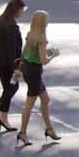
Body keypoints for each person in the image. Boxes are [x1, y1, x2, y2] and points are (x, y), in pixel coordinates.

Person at [17, 10, 61, 146]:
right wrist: (53, 55)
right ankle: (23, 133)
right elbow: (43, 61)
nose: (48, 22)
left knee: (46, 99)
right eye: (47, 20)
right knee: (29, 105)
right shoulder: (42, 38)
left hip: (28, 70)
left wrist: (18, 71)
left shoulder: (30, 35)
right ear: (43, 22)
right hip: (35, 73)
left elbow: (26, 54)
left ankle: (49, 129)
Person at [0, 0, 26, 133]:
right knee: (12, 87)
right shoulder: (11, 26)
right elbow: (11, 50)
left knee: (9, 88)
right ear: (17, 9)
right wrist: (16, 69)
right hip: (5, 63)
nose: (23, 12)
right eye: (22, 9)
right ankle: (2, 117)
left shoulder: (2, 19)